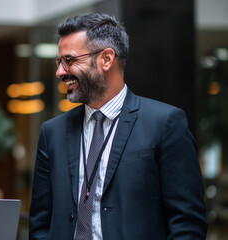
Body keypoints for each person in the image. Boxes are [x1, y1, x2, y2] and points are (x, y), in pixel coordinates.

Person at [29, 13, 207, 240]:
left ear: (106, 58)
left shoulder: (165, 124)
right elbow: (40, 224)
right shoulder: (51, 133)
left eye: (70, 61)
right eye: (59, 63)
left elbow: (187, 225)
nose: (60, 72)